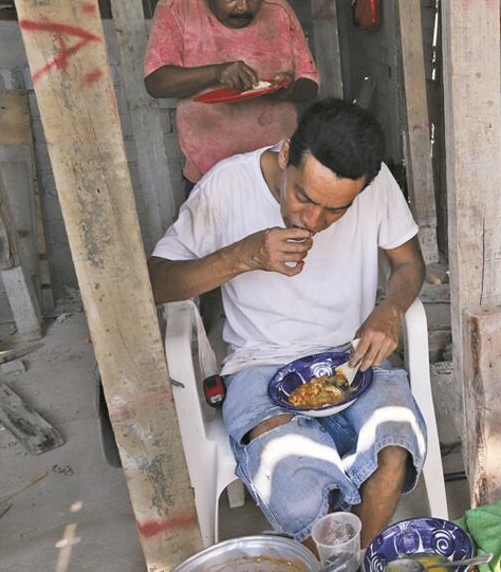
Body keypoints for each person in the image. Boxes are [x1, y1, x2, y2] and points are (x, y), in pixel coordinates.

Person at [148, 99, 426, 548]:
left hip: (351, 357)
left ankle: (357, 560)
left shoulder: (376, 184)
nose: (312, 221)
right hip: (259, 365)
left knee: (394, 449)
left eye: (335, 210)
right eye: (304, 196)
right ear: (284, 154)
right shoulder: (227, 185)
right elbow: (156, 281)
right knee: (296, 486)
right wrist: (245, 256)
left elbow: (409, 263)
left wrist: (390, 309)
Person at [144, 0, 320, 190]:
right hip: (208, 174)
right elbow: (155, 82)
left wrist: (285, 90)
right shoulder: (177, 6)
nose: (243, 7)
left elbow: (310, 83)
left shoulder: (280, 11)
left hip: (276, 172)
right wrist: (216, 72)